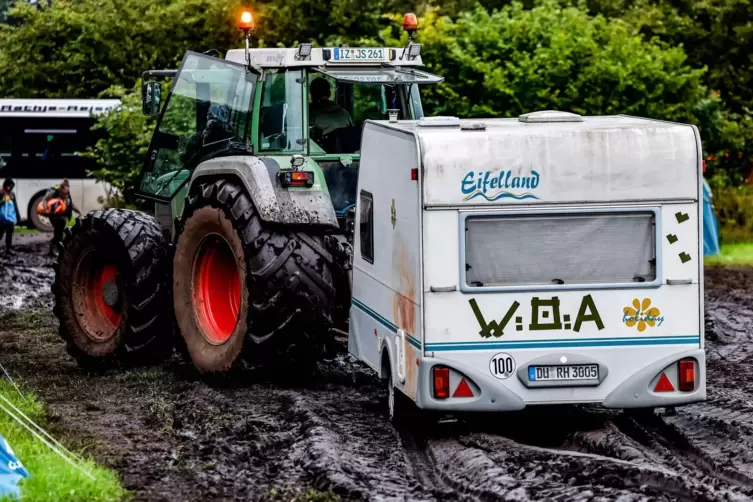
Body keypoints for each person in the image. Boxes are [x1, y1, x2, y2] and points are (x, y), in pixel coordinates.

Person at [44, 179, 80, 256]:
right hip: (54, 216)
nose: (67, 190)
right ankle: (56, 249)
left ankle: (54, 249)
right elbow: (44, 200)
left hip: (63, 217)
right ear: (62, 187)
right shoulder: (54, 193)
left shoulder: (67, 194)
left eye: (68, 187)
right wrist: (46, 209)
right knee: (58, 233)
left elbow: (70, 204)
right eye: (66, 187)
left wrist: (77, 210)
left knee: (59, 233)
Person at [0, 178, 20, 256]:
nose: (10, 188)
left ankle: (8, 249)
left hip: (10, 218)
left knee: (9, 234)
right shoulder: (1, 193)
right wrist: (3, 200)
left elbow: (15, 205)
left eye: (11, 187)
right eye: (9, 186)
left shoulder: (12, 194)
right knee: (0, 233)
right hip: (1, 218)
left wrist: (18, 215)